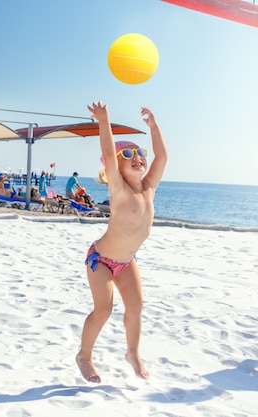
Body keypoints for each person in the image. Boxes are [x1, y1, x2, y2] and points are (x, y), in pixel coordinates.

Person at [76, 102, 167, 384]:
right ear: (115, 165)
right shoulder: (118, 188)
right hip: (100, 260)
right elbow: (108, 153)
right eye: (128, 154)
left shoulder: (149, 187)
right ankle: (84, 356)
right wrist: (105, 121)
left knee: (136, 307)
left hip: (126, 262)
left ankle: (132, 353)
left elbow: (162, 157)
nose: (138, 157)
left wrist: (153, 126)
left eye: (140, 153)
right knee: (104, 309)